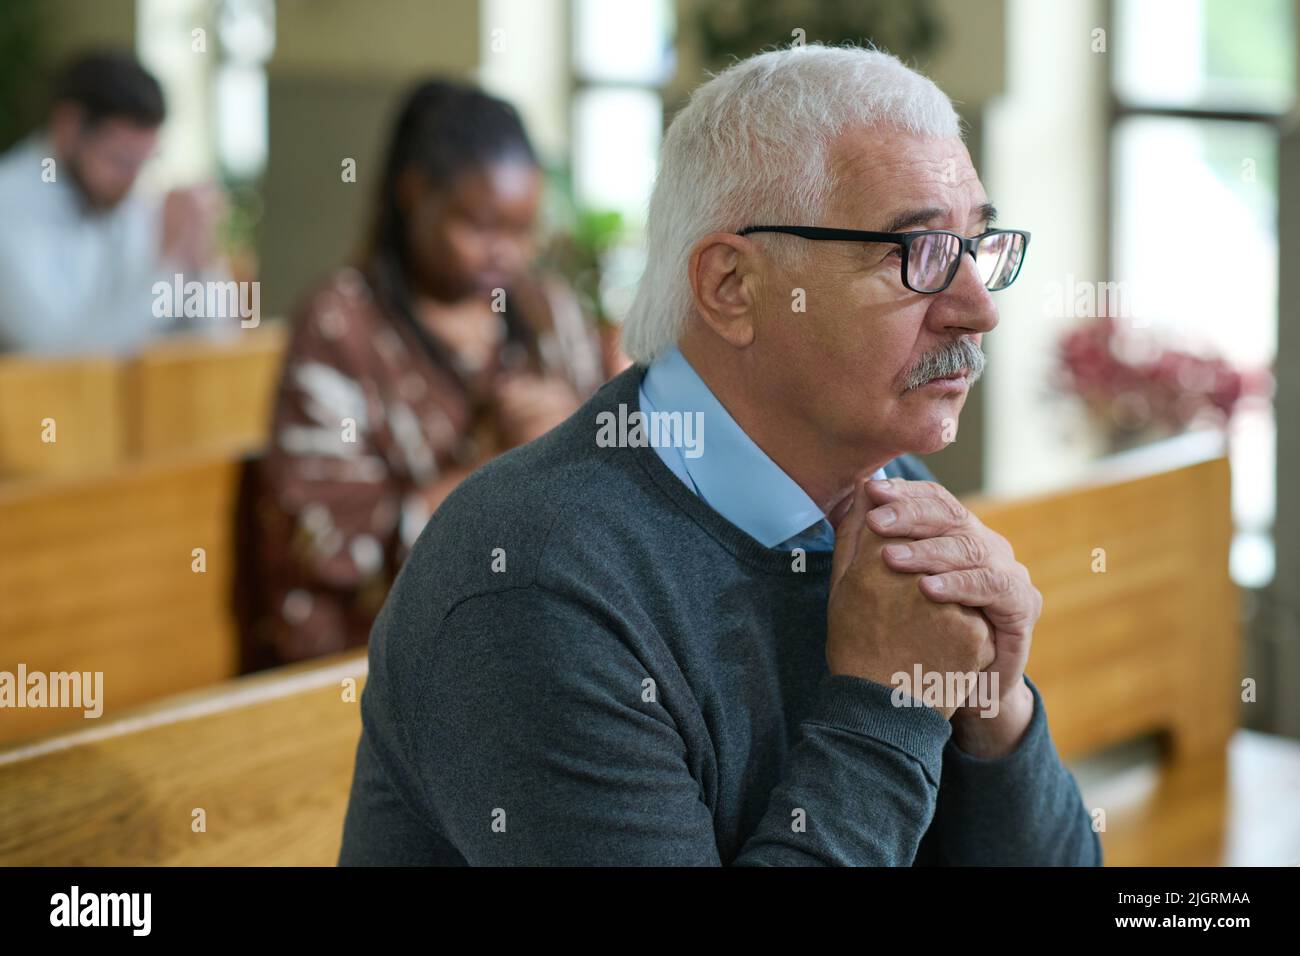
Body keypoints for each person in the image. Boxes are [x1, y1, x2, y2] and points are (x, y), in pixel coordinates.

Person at [338, 45, 1099, 866]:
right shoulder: (531, 587)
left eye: (975, 247)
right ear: (732, 286)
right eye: (915, 254)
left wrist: (994, 708)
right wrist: (889, 708)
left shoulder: (886, 489)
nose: (978, 310)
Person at [247, 79, 605, 666]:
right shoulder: (341, 325)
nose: (506, 253)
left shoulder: (549, 311)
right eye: (481, 226)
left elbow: (618, 487)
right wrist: (497, 470)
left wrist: (577, 434)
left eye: (522, 230)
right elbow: (325, 548)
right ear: (414, 193)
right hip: (380, 664)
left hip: (538, 642)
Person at [0, 50, 227, 354]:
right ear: (68, 127)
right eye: (119, 160)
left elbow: (218, 342)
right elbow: (58, 355)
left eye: (144, 162)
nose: (131, 179)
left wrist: (197, 259)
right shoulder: (9, 203)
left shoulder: (130, 198)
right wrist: (167, 263)